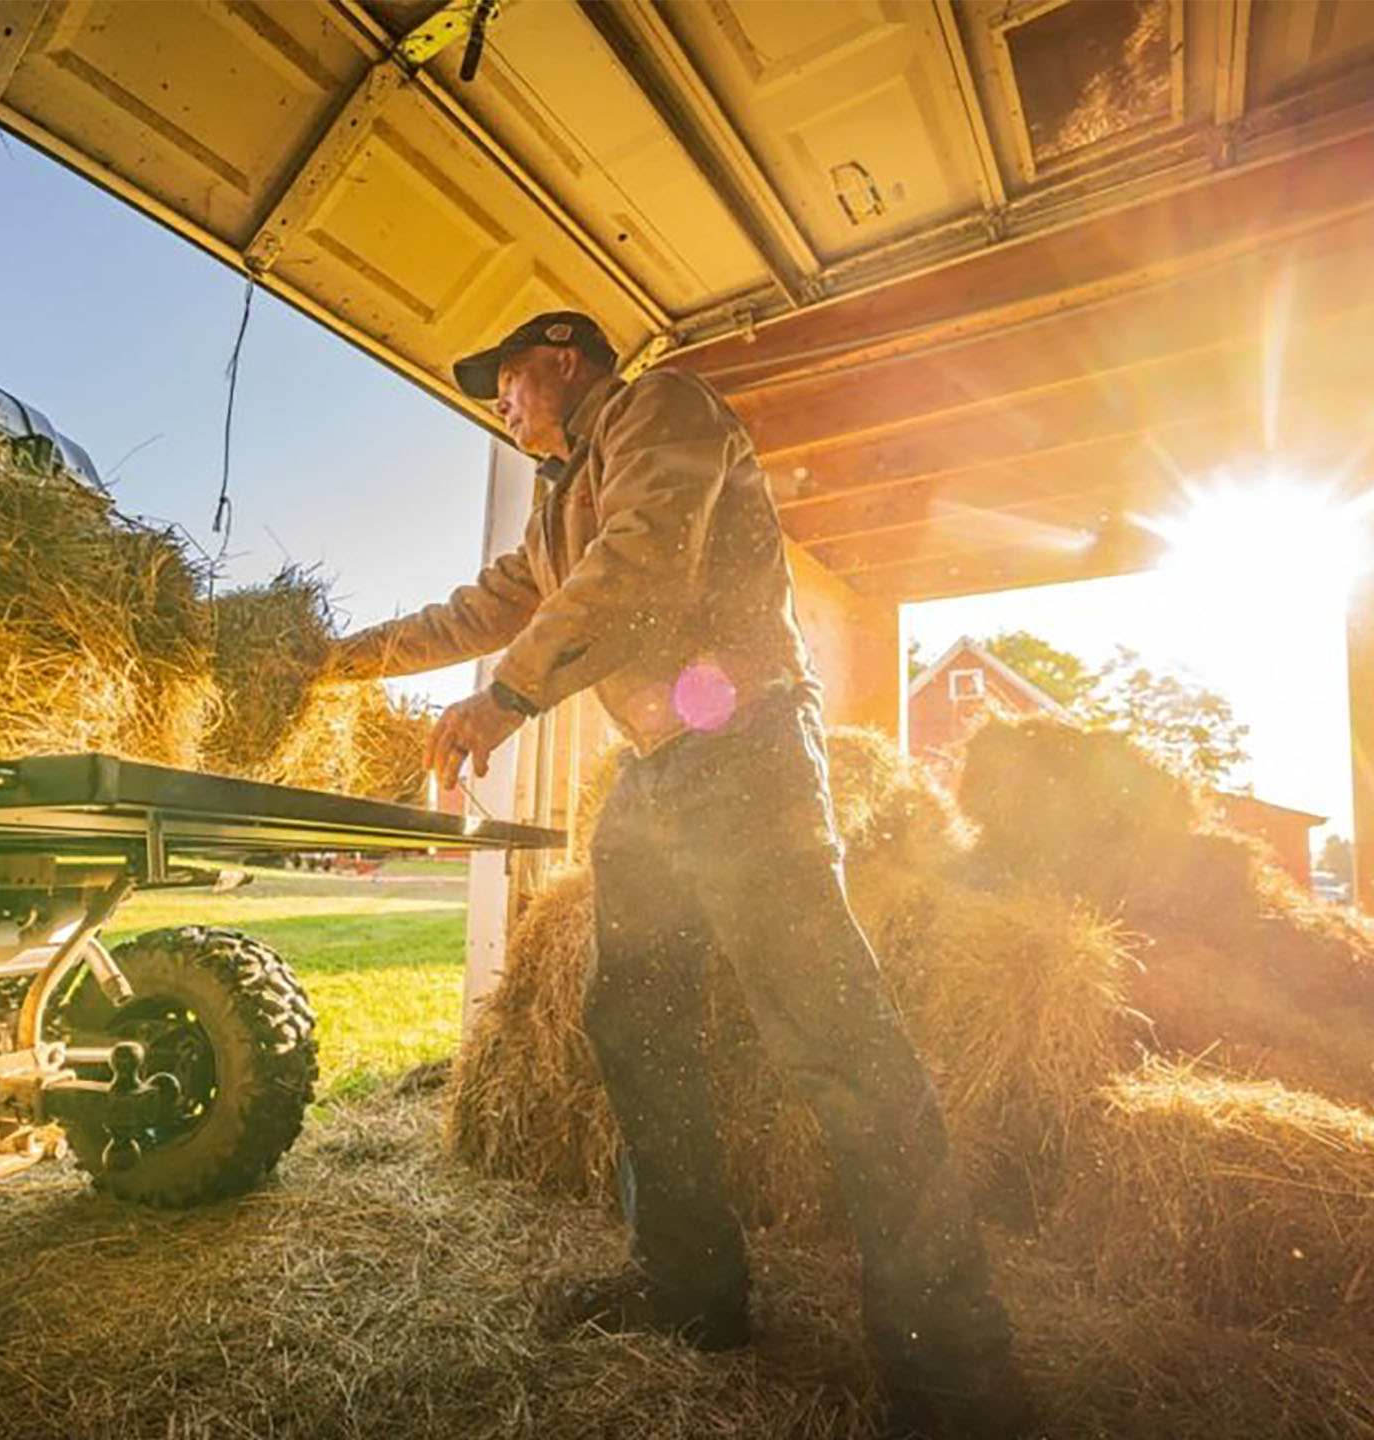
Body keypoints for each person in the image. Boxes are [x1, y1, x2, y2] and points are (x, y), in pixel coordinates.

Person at [326, 311, 1032, 1439]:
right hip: (655, 775)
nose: (500, 410)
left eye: (504, 385)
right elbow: (472, 612)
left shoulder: (663, 411)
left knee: (834, 1036)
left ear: (561, 360)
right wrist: (330, 662)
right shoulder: (559, 503)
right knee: (633, 1020)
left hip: (747, 750)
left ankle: (952, 1358)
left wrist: (504, 697)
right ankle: (691, 1287)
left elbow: (642, 560)